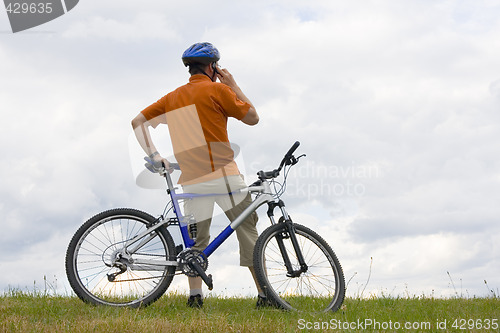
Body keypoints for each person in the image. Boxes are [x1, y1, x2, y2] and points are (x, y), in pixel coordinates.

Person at [131, 42, 268, 308]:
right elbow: (253, 118)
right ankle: (264, 296)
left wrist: (154, 154)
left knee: (195, 240)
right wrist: (233, 85)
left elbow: (137, 122)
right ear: (212, 67)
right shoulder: (218, 90)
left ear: (189, 68)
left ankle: (195, 298)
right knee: (247, 230)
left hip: (192, 179)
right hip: (224, 176)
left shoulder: (172, 97)